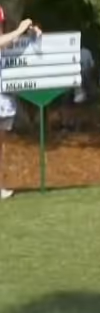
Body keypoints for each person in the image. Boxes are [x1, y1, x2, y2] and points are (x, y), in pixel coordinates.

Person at [0, 15, 43, 200]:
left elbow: (20, 46)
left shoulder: (8, 39)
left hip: (5, 99)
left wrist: (33, 35)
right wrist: (19, 30)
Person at [59, 46, 96, 132]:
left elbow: (91, 67)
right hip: (69, 79)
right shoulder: (66, 52)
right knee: (68, 103)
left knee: (79, 103)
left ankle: (76, 125)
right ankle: (67, 125)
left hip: (82, 79)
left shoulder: (86, 52)